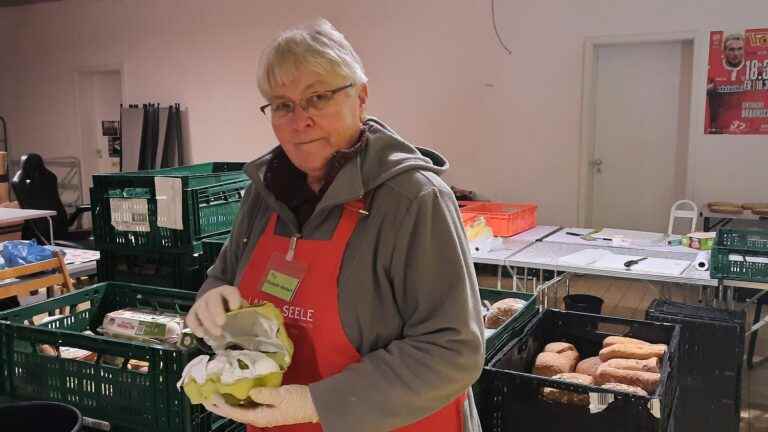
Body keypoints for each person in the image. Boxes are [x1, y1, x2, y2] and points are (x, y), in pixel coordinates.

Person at [186, 18, 484, 432]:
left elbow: (453, 350)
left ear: (360, 97)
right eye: (282, 105)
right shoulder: (263, 191)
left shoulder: (413, 200)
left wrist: (315, 402)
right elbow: (223, 276)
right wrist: (212, 299)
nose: (299, 120)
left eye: (318, 97)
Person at [706, 32, 748, 133]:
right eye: (731, 49)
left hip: (746, 126)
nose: (736, 54)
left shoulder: (752, 69)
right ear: (724, 51)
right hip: (720, 127)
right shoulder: (713, 69)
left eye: (739, 49)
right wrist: (712, 88)